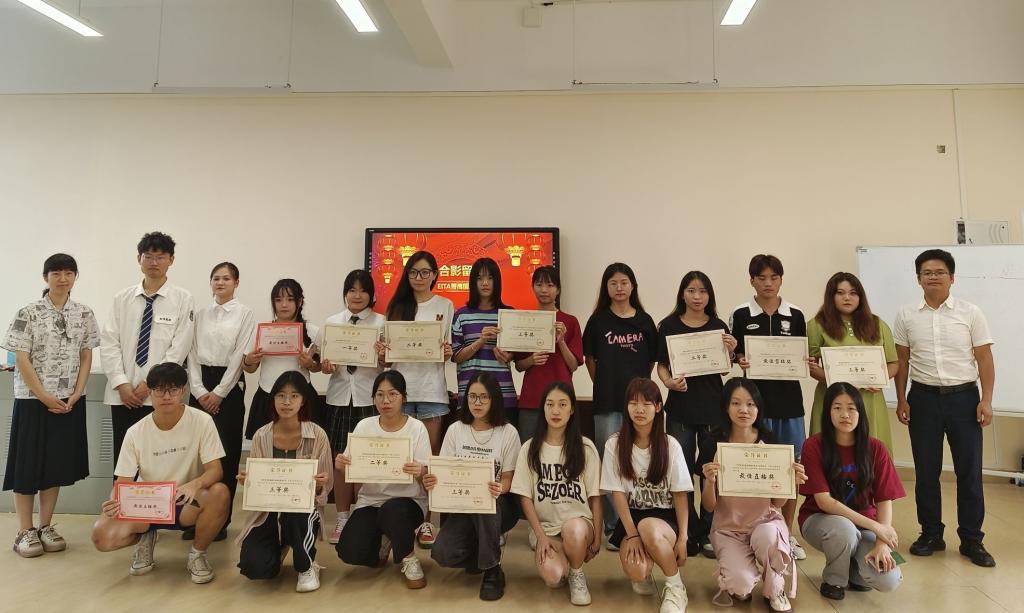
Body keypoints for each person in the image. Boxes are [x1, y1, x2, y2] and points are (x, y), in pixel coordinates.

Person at [893, 248, 996, 567]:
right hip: (923, 399)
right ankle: (931, 534)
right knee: (926, 471)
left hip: (964, 398)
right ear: (918, 279)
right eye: (927, 272)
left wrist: (986, 400)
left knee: (969, 471)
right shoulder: (906, 315)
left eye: (939, 272)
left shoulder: (970, 313)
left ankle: (971, 539)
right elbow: (902, 361)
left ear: (952, 277)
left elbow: (984, 359)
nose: (933, 277)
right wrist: (901, 398)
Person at [90, 362, 229, 584]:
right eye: (159, 390)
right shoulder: (135, 432)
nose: (166, 396)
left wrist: (194, 484)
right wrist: (115, 501)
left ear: (183, 391)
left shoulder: (202, 421)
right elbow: (123, 483)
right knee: (101, 537)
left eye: (173, 390)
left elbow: (216, 470)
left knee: (220, 493)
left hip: (185, 502)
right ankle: (145, 538)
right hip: (146, 505)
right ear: (150, 393)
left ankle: (197, 554)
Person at [3, 253, 99, 558]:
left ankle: (45, 526)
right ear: (46, 277)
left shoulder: (84, 313)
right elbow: (21, 358)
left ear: (75, 277)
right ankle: (25, 530)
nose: (63, 278)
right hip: (33, 400)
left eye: (69, 272)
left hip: (69, 400)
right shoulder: (28, 312)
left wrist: (78, 392)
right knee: (27, 464)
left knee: (54, 465)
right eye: (56, 273)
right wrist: (44, 396)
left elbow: (86, 354)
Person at [699, 378, 806, 612]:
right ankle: (742, 572)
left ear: (759, 407)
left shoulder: (772, 443)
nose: (744, 410)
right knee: (741, 587)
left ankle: (775, 586)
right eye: (736, 403)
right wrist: (710, 482)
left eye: (750, 404)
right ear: (725, 407)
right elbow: (708, 507)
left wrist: (790, 483)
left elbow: (777, 503)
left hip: (764, 522)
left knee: (769, 536)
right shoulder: (713, 445)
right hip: (729, 529)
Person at [729, 254, 808, 560]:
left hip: (790, 406)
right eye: (761, 278)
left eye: (774, 277)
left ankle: (786, 532)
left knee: (790, 469)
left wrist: (807, 362)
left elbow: (802, 355)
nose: (768, 283)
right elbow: (733, 354)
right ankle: (754, 529)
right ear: (752, 281)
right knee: (754, 469)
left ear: (781, 280)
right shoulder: (740, 314)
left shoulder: (795, 315)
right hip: (754, 408)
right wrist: (739, 358)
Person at [799, 383, 905, 600]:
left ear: (860, 412)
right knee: (844, 530)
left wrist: (881, 542)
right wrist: (876, 527)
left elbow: (884, 499)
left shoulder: (876, 448)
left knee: (888, 580)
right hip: (820, 520)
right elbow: (825, 502)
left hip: (864, 526)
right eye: (837, 408)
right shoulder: (813, 445)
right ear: (827, 412)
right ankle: (834, 580)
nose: (844, 414)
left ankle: (854, 571)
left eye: (851, 408)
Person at [656, 270, 736, 557]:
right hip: (680, 408)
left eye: (703, 291)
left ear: (709, 295)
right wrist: (668, 382)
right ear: (682, 294)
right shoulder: (668, 325)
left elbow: (724, 369)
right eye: (691, 290)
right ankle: (687, 531)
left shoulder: (718, 326)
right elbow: (661, 364)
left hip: (713, 408)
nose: (697, 296)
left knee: (710, 471)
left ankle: (709, 530)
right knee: (681, 471)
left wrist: (730, 351)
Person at [100, 231, 195, 466]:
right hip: (123, 395)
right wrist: (121, 384)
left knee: (159, 459)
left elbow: (179, 348)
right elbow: (109, 342)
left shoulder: (183, 299)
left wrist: (151, 385)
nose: (154, 262)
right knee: (124, 458)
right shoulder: (122, 298)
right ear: (139, 259)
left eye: (160, 257)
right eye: (148, 256)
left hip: (161, 395)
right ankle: (122, 493)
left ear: (171, 260)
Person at [425, 372, 522, 601]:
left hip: (499, 504)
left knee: (486, 502)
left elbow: (509, 477)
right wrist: (432, 480)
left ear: (494, 399)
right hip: (464, 505)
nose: (477, 402)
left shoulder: (508, 432)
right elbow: (444, 472)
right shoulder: (456, 429)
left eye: (484, 397)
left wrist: (499, 488)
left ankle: (492, 570)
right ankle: (483, 554)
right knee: (442, 553)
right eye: (472, 396)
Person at [381, 250, 454, 548]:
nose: (419, 278)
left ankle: (425, 520)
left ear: (435, 275)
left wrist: (447, 352)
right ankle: (399, 519)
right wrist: (382, 352)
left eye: (425, 272)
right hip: (400, 391)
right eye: (413, 272)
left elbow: (447, 349)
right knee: (400, 459)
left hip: (432, 391)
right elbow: (387, 359)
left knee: (428, 461)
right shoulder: (397, 307)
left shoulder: (445, 305)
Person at [236, 371, 333, 593]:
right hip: (268, 510)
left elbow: (325, 487)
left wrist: (319, 484)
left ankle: (307, 565)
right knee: (255, 568)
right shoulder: (261, 435)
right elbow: (256, 486)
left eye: (294, 396)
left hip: (303, 509)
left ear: (303, 401)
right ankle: (279, 545)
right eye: (281, 395)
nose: (287, 402)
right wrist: (248, 482)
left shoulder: (317, 434)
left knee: (298, 514)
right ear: (273, 399)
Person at [601, 378, 692, 613]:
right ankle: (648, 563)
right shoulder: (614, 444)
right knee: (638, 571)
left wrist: (683, 538)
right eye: (633, 403)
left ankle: (676, 588)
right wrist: (631, 534)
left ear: (658, 407)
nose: (639, 409)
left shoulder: (671, 445)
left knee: (649, 528)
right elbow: (617, 494)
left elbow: (680, 495)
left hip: (665, 519)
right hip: (632, 518)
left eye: (646, 404)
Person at [335, 371, 432, 589]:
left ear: (403, 398)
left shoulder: (416, 428)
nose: (386, 400)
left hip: (409, 502)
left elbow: (427, 475)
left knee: (392, 511)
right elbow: (350, 467)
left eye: (392, 394)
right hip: (371, 501)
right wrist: (342, 465)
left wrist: (420, 470)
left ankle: (409, 558)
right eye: (379, 395)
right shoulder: (364, 426)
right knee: (349, 551)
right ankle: (385, 541)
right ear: (373, 399)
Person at [583, 262, 657, 546]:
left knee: (638, 460)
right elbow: (590, 360)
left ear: (633, 286)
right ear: (606, 287)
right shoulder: (598, 321)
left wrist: (640, 393)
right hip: (607, 401)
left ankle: (636, 518)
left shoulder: (645, 321)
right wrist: (604, 382)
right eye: (613, 283)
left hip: (638, 404)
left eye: (624, 282)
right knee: (609, 460)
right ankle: (614, 524)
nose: (619, 288)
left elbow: (651, 360)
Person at [511, 382, 603, 606]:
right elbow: (525, 498)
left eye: (562, 405)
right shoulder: (529, 448)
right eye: (550, 404)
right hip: (547, 529)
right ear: (542, 408)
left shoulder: (586, 448)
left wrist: (597, 537)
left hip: (580, 526)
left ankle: (577, 573)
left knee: (573, 528)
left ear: (572, 410)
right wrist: (540, 535)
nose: (555, 411)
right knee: (553, 576)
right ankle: (564, 562)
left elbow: (595, 498)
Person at [185, 262, 255, 541]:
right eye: (216, 278)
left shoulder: (245, 313)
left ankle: (219, 521)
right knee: (197, 454)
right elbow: (191, 352)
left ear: (236, 283)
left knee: (226, 453)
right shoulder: (200, 314)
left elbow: (240, 356)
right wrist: (199, 390)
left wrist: (219, 393)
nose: (221, 283)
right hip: (200, 384)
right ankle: (193, 518)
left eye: (227, 278)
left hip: (229, 386)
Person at [317, 269, 385, 544]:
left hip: (369, 398)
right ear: (345, 293)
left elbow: (390, 363)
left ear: (371, 294)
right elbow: (321, 362)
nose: (357, 296)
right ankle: (343, 517)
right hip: (340, 397)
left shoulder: (382, 323)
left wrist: (384, 356)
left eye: (362, 290)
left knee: (367, 458)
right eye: (352, 290)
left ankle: (363, 515)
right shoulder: (332, 323)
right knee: (340, 459)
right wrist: (324, 365)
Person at [807, 272, 898, 454]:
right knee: (829, 452)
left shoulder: (877, 324)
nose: (847, 298)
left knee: (871, 452)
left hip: (869, 398)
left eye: (853, 293)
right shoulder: (816, 324)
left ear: (860, 296)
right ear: (831, 296)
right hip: (832, 397)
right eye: (840, 293)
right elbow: (812, 367)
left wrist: (879, 379)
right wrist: (835, 381)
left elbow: (893, 363)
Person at [242, 279, 321, 440]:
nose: (284, 305)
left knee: (305, 446)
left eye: (290, 299)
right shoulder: (261, 330)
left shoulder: (313, 331)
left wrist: (310, 364)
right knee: (265, 446)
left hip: (301, 397)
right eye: (278, 300)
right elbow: (249, 368)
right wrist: (249, 360)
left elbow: (319, 367)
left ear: (300, 301)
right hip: (267, 394)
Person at [514, 265, 583, 443]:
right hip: (531, 398)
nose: (544, 290)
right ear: (532, 287)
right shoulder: (525, 320)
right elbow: (519, 366)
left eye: (550, 285)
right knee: (528, 448)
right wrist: (531, 360)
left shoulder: (570, 321)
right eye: (539, 285)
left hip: (561, 399)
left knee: (564, 448)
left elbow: (573, 366)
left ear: (558, 289)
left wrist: (561, 341)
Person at [451, 257, 516, 416]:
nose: (485, 283)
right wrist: (480, 341)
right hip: (471, 396)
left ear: (497, 281)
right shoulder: (461, 315)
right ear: (473, 282)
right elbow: (456, 356)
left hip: (502, 393)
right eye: (479, 278)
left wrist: (508, 356)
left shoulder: (508, 314)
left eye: (490, 278)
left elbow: (516, 354)